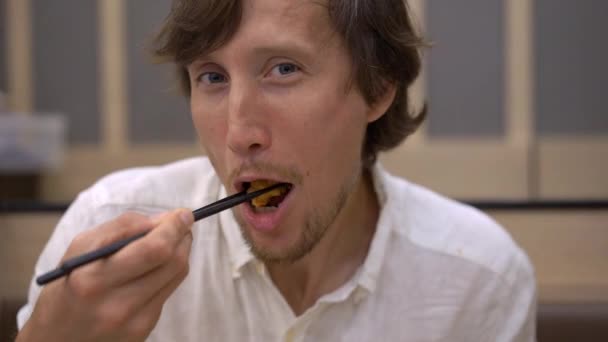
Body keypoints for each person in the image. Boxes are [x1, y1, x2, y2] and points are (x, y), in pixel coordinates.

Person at [16, 0, 536, 341]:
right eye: (213, 77)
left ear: (377, 88)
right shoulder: (104, 227)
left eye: (283, 69)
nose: (239, 132)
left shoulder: (479, 281)